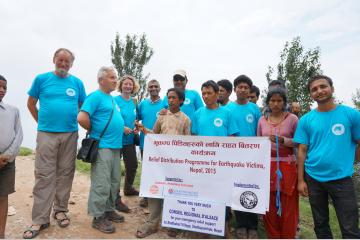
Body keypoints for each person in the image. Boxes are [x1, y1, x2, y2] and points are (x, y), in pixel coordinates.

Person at [24, 48, 86, 239]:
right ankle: (40, 219)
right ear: (54, 60)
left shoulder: (77, 83)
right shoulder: (41, 79)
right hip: (46, 134)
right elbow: (31, 104)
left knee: (66, 173)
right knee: (44, 174)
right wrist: (42, 122)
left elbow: (83, 108)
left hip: (70, 134)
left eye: (68, 62)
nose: (64, 64)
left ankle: (60, 210)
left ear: (71, 64)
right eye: (61, 60)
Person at [294, 75, 360, 238]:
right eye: (314, 89)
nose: (319, 91)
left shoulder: (351, 115)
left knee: (350, 226)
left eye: (323, 86)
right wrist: (301, 180)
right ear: (311, 95)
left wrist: (352, 161)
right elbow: (302, 150)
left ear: (332, 88)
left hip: (342, 179)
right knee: (321, 224)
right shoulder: (306, 120)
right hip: (314, 179)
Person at [135, 88, 191, 238]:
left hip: (177, 164)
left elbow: (188, 143)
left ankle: (172, 223)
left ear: (181, 101)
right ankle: (152, 223)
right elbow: (155, 135)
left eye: (173, 98)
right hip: (160, 162)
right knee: (156, 189)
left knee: (174, 191)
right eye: (169, 98)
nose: (170, 100)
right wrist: (144, 129)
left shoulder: (186, 119)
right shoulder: (161, 116)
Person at [77, 67, 125, 233]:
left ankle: (109, 210)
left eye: (115, 77)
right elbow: (82, 117)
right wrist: (95, 131)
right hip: (103, 146)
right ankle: (98, 217)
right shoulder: (95, 96)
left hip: (115, 147)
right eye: (112, 77)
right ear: (101, 80)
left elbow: (111, 119)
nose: (115, 80)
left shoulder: (111, 99)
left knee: (113, 182)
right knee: (101, 182)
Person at [192, 80, 238, 238]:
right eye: (203, 93)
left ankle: (223, 229)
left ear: (217, 93)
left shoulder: (227, 113)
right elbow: (194, 138)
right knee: (203, 196)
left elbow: (232, 139)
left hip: (222, 165)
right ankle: (203, 227)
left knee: (223, 198)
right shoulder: (198, 113)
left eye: (209, 93)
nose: (205, 96)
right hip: (203, 165)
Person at [257, 88, 299, 238]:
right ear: (268, 102)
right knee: (268, 204)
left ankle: (288, 235)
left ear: (284, 102)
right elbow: (258, 142)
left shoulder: (292, 119)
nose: (275, 104)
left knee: (288, 205)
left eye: (279, 101)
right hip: (267, 166)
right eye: (272, 100)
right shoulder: (262, 120)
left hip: (287, 167)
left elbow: (300, 142)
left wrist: (284, 141)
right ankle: (273, 236)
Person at [226, 74, 261, 239]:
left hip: (253, 157)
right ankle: (240, 224)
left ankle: (252, 226)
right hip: (234, 158)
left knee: (252, 189)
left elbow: (260, 133)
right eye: (239, 87)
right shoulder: (228, 109)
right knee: (237, 190)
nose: (242, 89)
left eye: (246, 87)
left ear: (249, 90)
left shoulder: (255, 109)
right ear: (234, 90)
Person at [0, 75, 23, 239]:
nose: (2, 90)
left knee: (2, 197)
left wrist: (6, 157)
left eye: (5, 87)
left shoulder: (13, 111)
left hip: (6, 163)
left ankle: (1, 233)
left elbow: (19, 135)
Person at [114, 75, 140, 213]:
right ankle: (115, 198)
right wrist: (122, 127)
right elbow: (112, 117)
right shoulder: (114, 100)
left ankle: (128, 188)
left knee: (133, 165)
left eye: (130, 84)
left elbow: (134, 119)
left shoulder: (134, 102)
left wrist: (135, 126)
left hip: (129, 140)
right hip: (116, 139)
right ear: (121, 85)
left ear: (133, 87)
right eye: (125, 84)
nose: (128, 86)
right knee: (115, 170)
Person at [137, 79, 165, 208]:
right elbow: (136, 119)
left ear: (159, 88)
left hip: (162, 145)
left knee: (160, 171)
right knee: (146, 171)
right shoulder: (142, 104)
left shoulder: (165, 103)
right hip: (145, 142)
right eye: (151, 86)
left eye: (156, 86)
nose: (153, 88)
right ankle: (146, 197)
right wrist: (137, 126)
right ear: (148, 89)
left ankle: (160, 196)